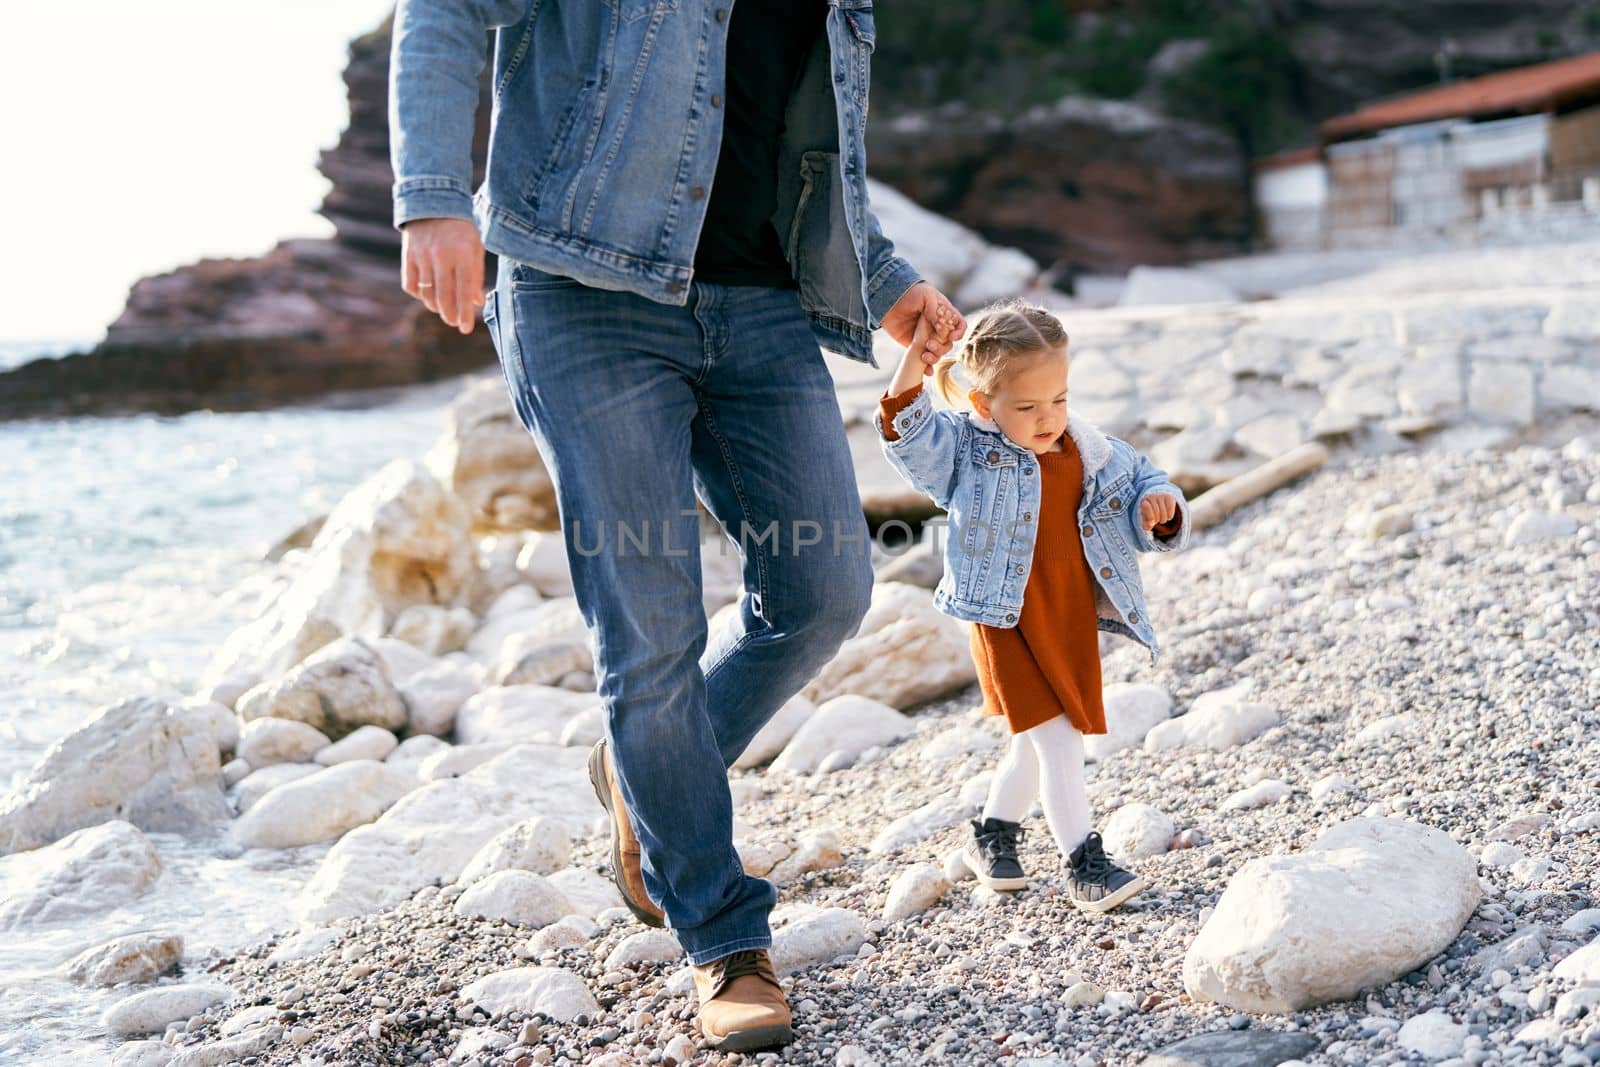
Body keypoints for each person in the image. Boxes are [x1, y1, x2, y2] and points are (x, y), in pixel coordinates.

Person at [388, 0, 966, 1052]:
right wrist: (431, 196)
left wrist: (887, 283)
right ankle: (722, 937)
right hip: (580, 294)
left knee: (826, 589)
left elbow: (794, 152)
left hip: (762, 306)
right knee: (650, 626)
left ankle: (645, 771)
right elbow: (444, 10)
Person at [874, 298, 1189, 913]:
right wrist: (914, 356)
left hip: (1066, 614)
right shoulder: (966, 451)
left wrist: (1162, 507)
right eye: (1027, 407)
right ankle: (1084, 862)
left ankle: (992, 836)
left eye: (1059, 400)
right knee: (1059, 740)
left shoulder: (1087, 448)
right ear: (983, 404)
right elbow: (906, 430)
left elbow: (1146, 478)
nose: (1049, 419)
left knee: (1035, 738)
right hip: (1004, 616)